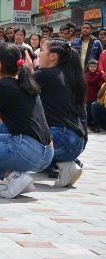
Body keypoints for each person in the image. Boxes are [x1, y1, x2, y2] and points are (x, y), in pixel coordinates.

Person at [0, 43, 53, 198]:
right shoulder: (25, 82)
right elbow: (6, 118)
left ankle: (13, 176)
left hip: (28, 151)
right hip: (46, 154)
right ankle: (16, 177)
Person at [35, 38, 87, 187]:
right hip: (77, 142)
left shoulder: (44, 75)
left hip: (61, 138)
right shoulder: (72, 77)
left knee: (5, 128)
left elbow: (12, 89)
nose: (39, 54)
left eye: (42, 50)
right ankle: (65, 164)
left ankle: (12, 173)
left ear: (53, 56)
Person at [84, 59, 103, 133]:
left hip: (95, 97)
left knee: (93, 113)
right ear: (88, 67)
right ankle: (88, 125)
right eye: (91, 67)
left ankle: (95, 126)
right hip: (88, 98)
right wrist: (99, 74)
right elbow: (92, 81)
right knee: (88, 113)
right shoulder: (86, 75)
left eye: (94, 67)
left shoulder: (97, 75)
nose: (92, 68)